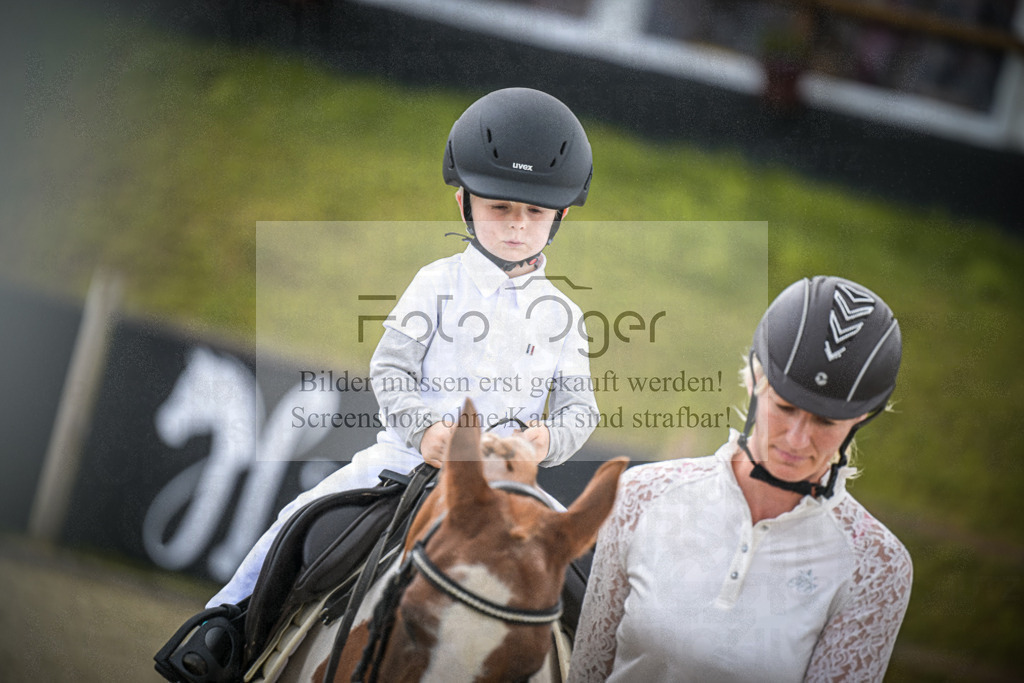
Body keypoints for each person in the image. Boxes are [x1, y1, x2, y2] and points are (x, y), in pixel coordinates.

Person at [206, 87, 601, 607]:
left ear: (560, 218)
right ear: (464, 203)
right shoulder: (435, 283)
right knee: (295, 522)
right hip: (402, 463)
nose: (516, 224)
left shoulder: (566, 316)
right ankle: (223, 628)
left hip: (505, 484)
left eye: (534, 210)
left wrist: (543, 442)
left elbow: (581, 410)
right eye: (499, 206)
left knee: (588, 585)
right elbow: (391, 367)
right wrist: (425, 430)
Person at [569, 275, 912, 682]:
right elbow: (586, 672)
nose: (798, 438)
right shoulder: (640, 496)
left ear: (861, 419)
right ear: (753, 380)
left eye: (825, 421)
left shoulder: (877, 566)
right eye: (784, 408)